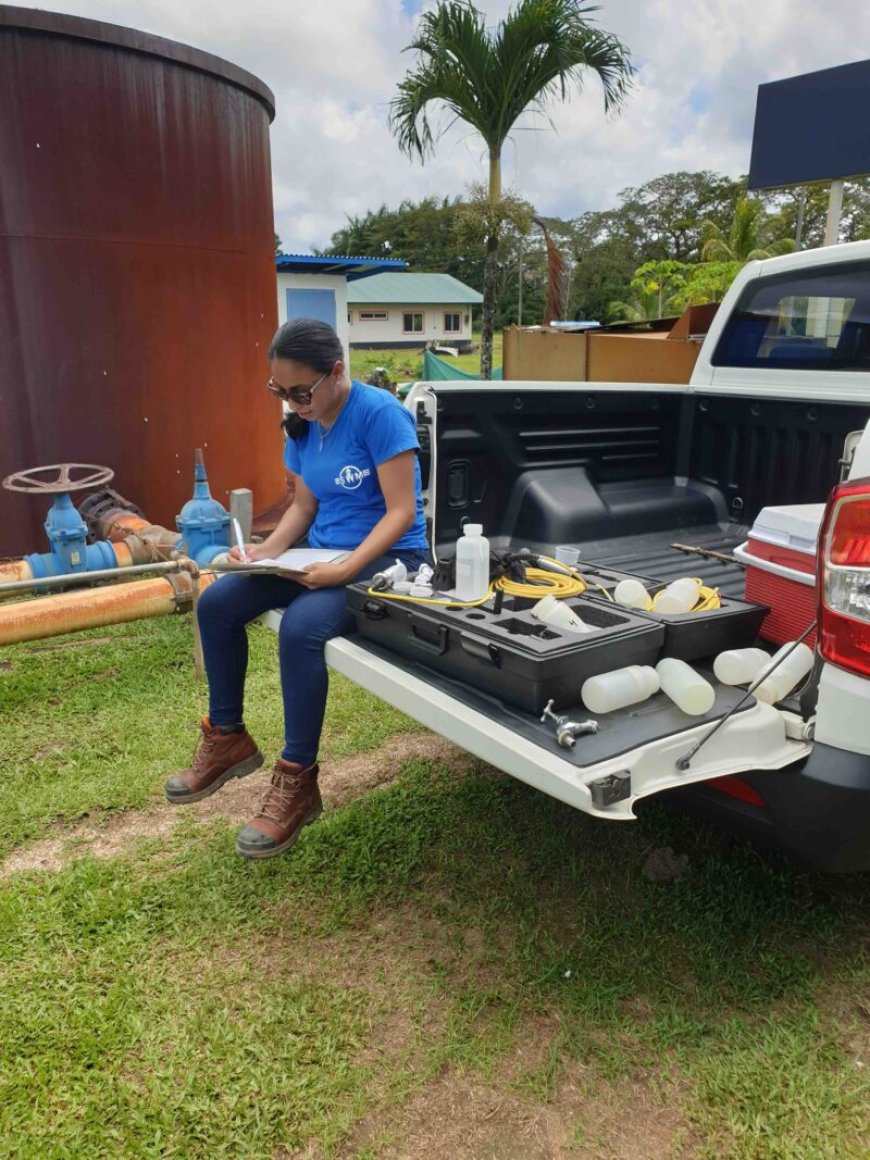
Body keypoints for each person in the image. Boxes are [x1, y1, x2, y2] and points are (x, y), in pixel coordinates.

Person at [165, 318, 430, 859]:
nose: (291, 403)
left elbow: (402, 513)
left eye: (300, 392)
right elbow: (304, 506)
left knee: (304, 627)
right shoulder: (304, 423)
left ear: (337, 372)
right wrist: (267, 552)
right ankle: (227, 737)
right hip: (320, 553)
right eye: (279, 392)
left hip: (387, 556)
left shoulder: (380, 415)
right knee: (218, 602)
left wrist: (344, 568)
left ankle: (298, 780)